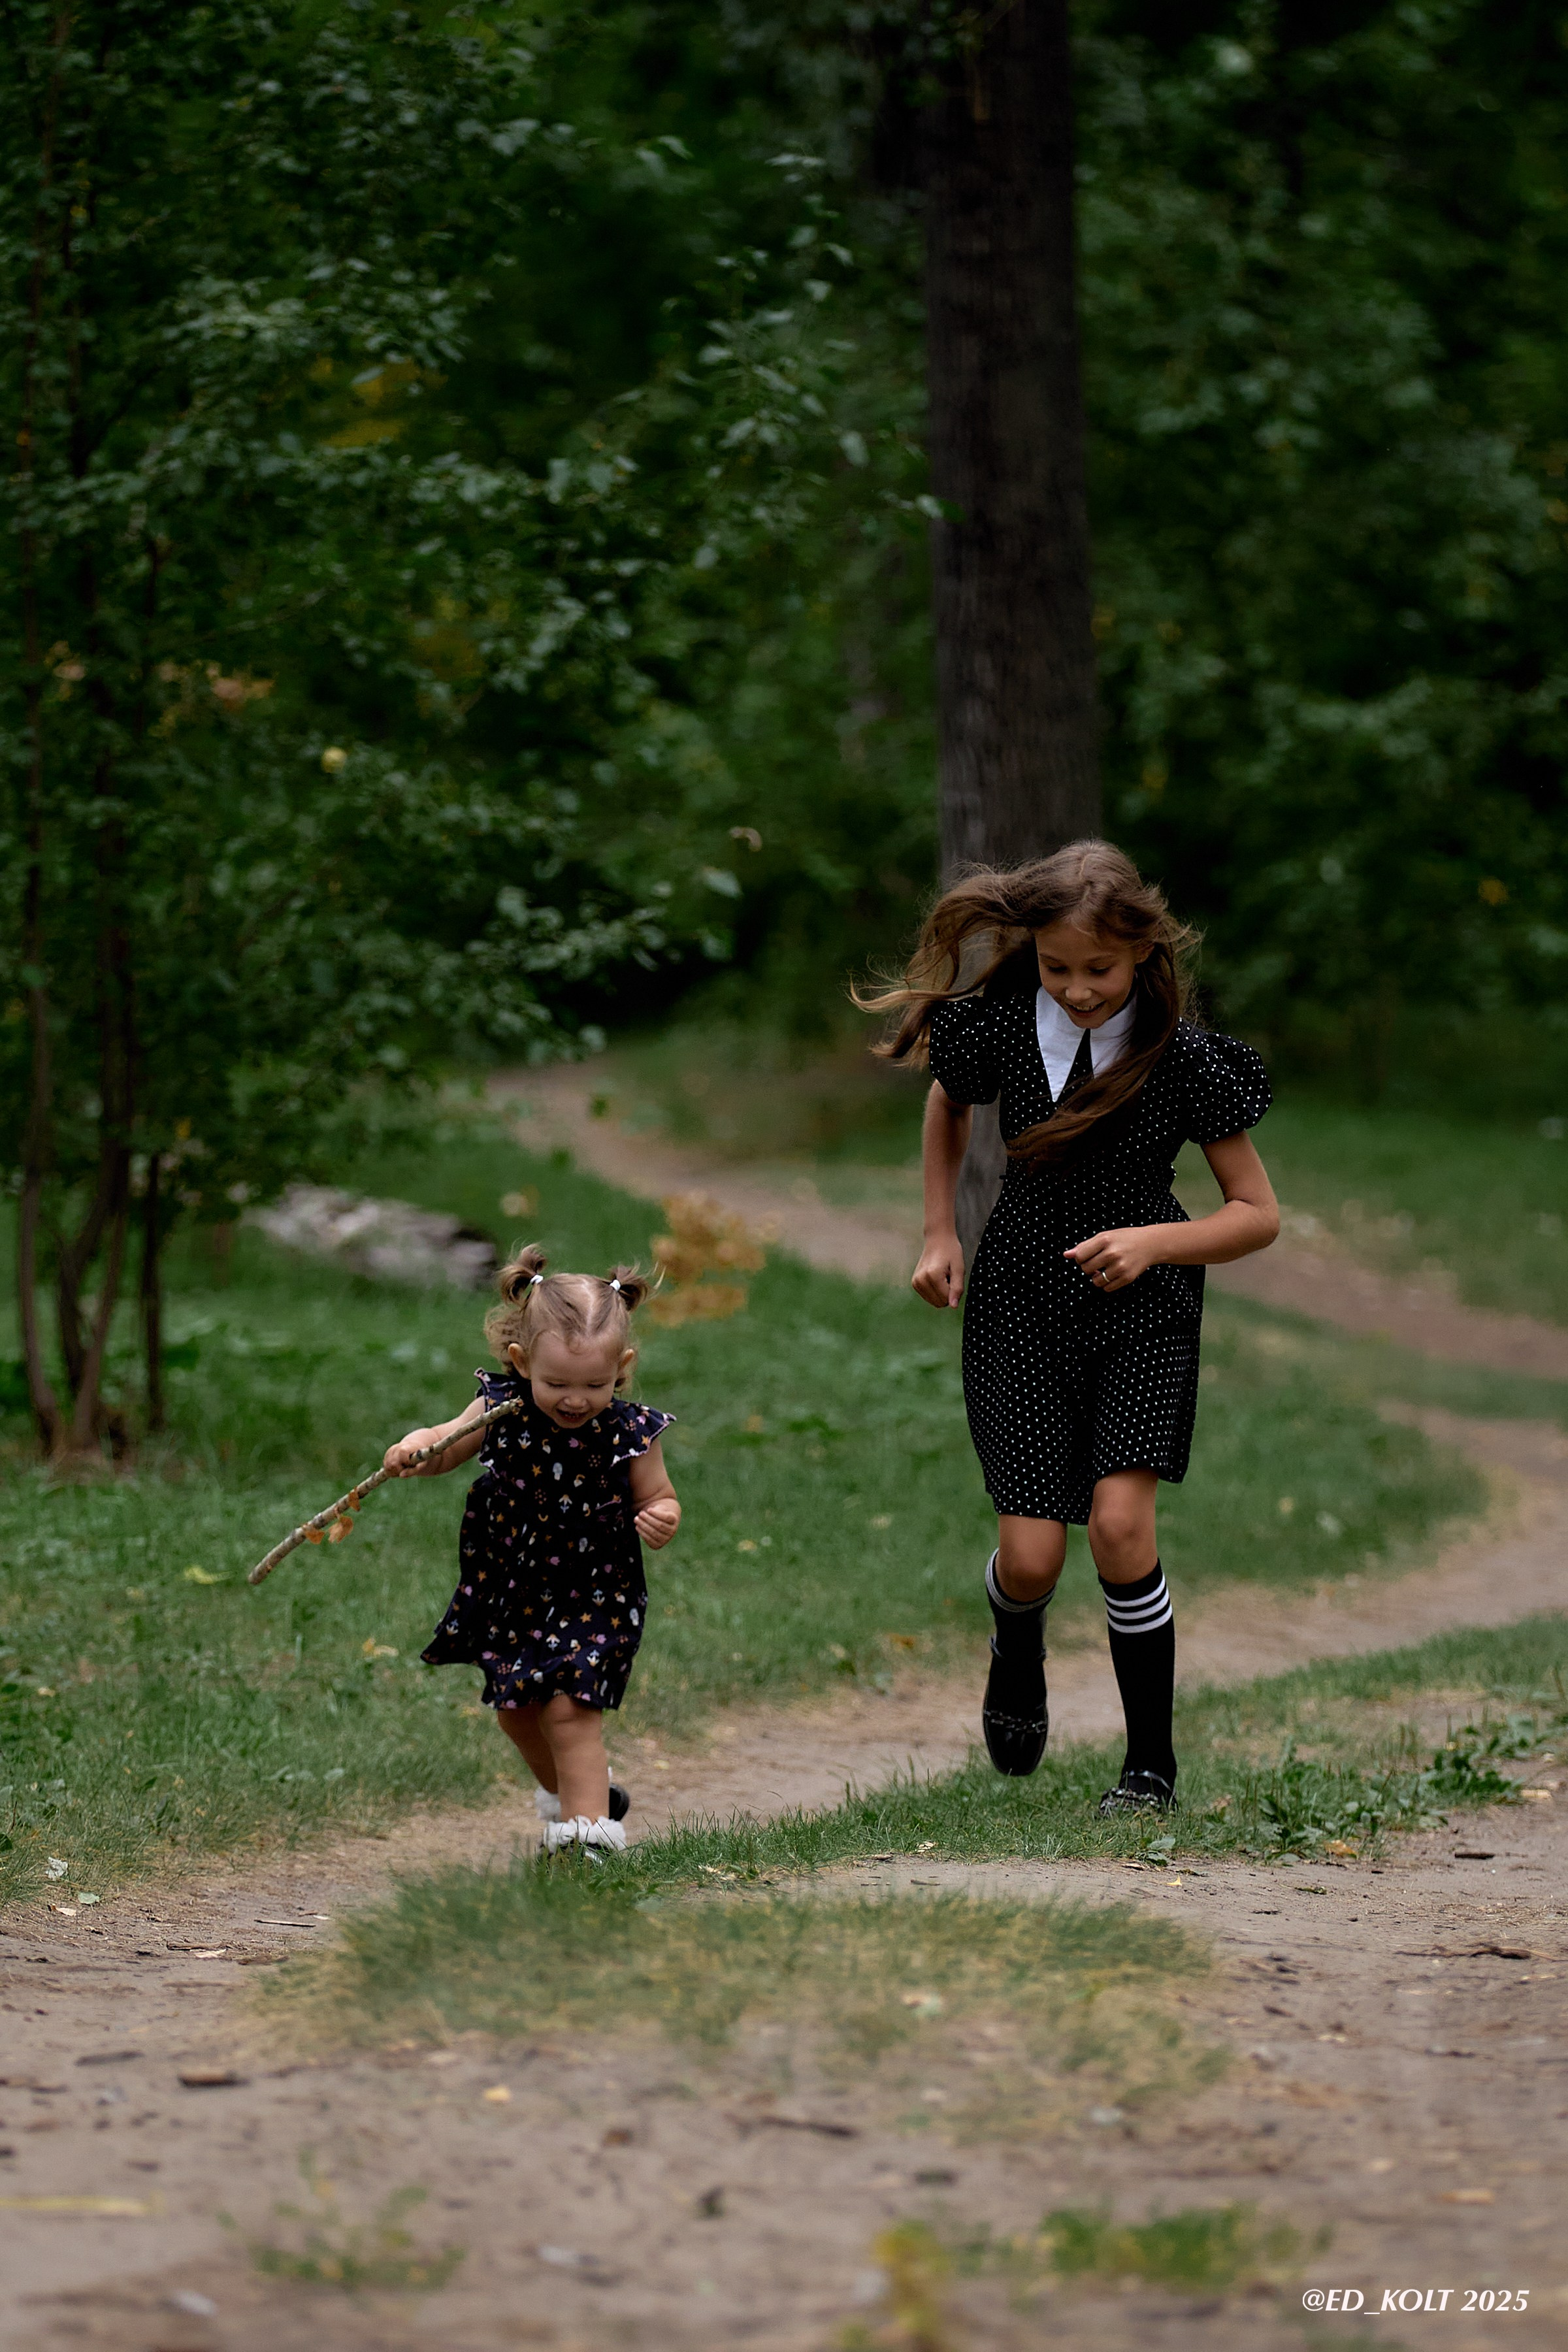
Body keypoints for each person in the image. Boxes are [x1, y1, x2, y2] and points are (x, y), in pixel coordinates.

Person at [865, 840, 1278, 1814]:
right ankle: (1017, 1641)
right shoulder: (1001, 1025)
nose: (1080, 988)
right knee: (1036, 1555)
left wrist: (1152, 1245)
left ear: (1140, 951)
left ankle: (1150, 1772)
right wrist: (939, 1233)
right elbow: (946, 1108)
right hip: (1017, 1295)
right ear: (1035, 954)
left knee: (1121, 1529)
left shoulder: (1183, 1057)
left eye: (1099, 968)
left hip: (1146, 1308)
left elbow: (1255, 1213)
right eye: (1059, 967)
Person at [385, 1246, 680, 1854]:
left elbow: (660, 1496)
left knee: (571, 1708)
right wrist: (418, 1446)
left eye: (596, 1384)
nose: (576, 1399)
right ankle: (586, 1794)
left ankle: (588, 1839)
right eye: (557, 1383)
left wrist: (661, 1516)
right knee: (516, 1712)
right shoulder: (501, 1410)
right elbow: (446, 1446)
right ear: (521, 1362)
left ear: (621, 1368)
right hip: (512, 1587)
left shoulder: (631, 1432)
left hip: (597, 1587)